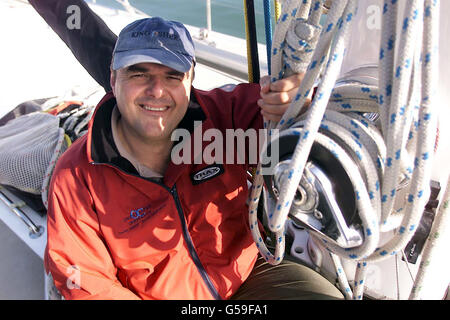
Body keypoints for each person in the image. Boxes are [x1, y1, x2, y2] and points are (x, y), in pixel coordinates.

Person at [38, 5, 343, 300]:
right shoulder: (77, 176)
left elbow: (298, 130)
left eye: (172, 75)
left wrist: (300, 102)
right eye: (139, 73)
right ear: (113, 79)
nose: (157, 90)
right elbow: (87, 282)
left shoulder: (224, 116)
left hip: (248, 272)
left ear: (191, 80)